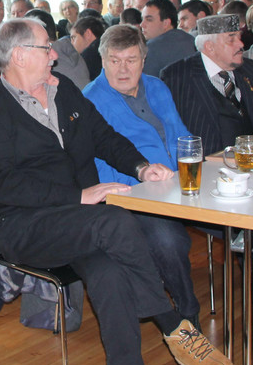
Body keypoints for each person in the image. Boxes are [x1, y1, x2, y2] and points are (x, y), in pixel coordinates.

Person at [0, 18, 233, 365]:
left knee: (110, 273)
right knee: (114, 219)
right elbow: (5, 184)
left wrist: (141, 167)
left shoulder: (63, 91)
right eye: (46, 48)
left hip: (83, 223)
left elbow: (105, 137)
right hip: (27, 226)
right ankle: (172, 325)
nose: (54, 55)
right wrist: (79, 195)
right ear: (18, 55)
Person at [160, 14, 253, 342]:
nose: (242, 44)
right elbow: (171, 131)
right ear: (209, 46)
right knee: (248, 223)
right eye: (232, 39)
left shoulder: (247, 69)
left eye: (239, 37)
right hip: (208, 182)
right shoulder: (178, 75)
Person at [82, 24, 200, 323]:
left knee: (242, 212)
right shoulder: (90, 101)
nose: (122, 69)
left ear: (143, 60)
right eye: (114, 60)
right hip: (135, 193)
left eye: (131, 60)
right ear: (103, 60)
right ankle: (187, 312)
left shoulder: (157, 86)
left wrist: (195, 166)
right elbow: (98, 166)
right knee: (168, 240)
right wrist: (147, 185)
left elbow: (181, 135)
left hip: (178, 182)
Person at [140, 0, 196, 77]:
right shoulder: (192, 40)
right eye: (142, 19)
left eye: (149, 19)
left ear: (166, 23)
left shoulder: (151, 48)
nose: (142, 24)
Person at [69, 14, 105, 81]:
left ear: (88, 34)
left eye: (73, 37)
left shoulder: (87, 57)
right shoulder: (110, 48)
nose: (71, 43)